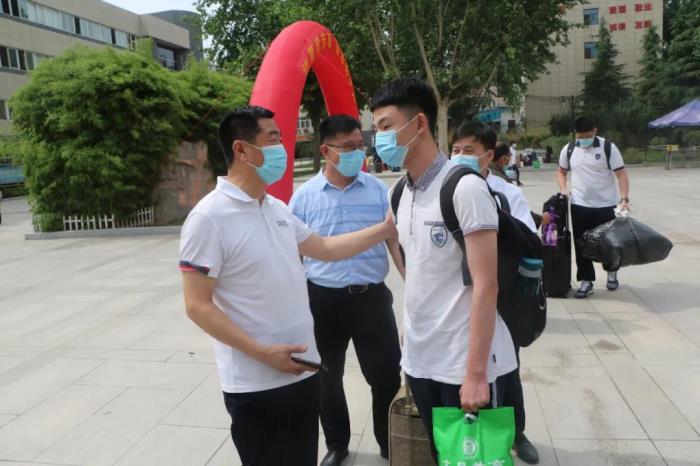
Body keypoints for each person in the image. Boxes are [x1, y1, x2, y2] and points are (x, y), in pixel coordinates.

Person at [179, 106, 396, 466]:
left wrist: (385, 228)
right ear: (241, 150)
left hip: (301, 372)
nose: (283, 148)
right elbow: (196, 305)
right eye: (273, 139)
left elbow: (325, 248)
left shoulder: (276, 208)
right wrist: (261, 352)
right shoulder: (208, 217)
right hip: (257, 382)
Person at [370, 78, 517, 460]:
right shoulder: (399, 192)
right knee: (440, 457)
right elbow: (417, 267)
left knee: (474, 459)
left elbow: (486, 285)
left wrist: (476, 373)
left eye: (386, 126)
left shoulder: (464, 189)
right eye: (376, 129)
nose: (379, 138)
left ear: (419, 124)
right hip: (422, 360)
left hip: (462, 363)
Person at [290, 115, 403, 465]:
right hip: (323, 299)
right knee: (326, 377)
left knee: (385, 376)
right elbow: (294, 254)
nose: (357, 153)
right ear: (326, 151)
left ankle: (388, 442)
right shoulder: (304, 197)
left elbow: (394, 242)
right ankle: (337, 444)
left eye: (360, 145)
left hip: (371, 298)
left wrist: (414, 285)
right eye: (348, 147)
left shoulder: (378, 191)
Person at [451, 121, 539, 464]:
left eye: (469, 151)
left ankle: (516, 432)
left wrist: (494, 217)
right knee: (461, 370)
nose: (460, 157)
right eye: (455, 150)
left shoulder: (506, 194)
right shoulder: (446, 189)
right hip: (457, 300)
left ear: (488, 156)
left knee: (506, 369)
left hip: (500, 299)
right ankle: (468, 440)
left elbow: (530, 243)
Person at [557, 116, 630, 299]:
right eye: (580, 136)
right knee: (582, 244)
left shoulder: (608, 147)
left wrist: (624, 199)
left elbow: (621, 175)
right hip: (580, 205)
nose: (584, 140)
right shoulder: (569, 149)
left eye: (588, 136)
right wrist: (563, 189)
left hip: (607, 205)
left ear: (595, 131)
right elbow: (561, 172)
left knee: (610, 243)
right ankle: (586, 280)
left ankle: (612, 271)